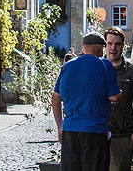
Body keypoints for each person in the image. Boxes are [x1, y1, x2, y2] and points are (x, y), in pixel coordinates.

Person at [52, 32, 121, 171]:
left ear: (84, 48)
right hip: (95, 130)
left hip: (70, 129)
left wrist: (60, 125)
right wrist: (120, 93)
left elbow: (55, 97)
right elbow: (113, 97)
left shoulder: (68, 66)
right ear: (99, 49)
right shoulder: (104, 64)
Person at [105, 27, 133, 171]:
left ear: (123, 45)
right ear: (105, 45)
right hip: (96, 134)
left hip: (121, 136)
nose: (113, 48)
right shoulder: (97, 68)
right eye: (109, 43)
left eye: (117, 44)